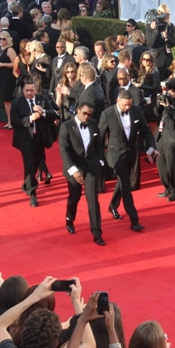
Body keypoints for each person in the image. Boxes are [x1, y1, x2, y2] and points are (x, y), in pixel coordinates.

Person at [98, 89, 158, 230]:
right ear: (117, 101)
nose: (127, 108)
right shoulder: (107, 114)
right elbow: (99, 138)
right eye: (125, 105)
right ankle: (134, 220)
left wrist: (151, 147)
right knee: (126, 185)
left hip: (131, 154)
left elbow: (146, 131)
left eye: (129, 105)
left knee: (122, 180)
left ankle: (113, 205)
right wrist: (99, 158)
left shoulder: (136, 110)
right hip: (115, 155)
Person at [59, 102, 106, 245]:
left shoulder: (93, 124)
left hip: (91, 166)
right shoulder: (66, 126)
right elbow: (64, 151)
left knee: (93, 200)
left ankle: (97, 232)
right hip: (74, 168)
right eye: (84, 113)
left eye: (90, 114)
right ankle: (69, 219)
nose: (87, 117)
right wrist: (73, 170)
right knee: (75, 196)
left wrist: (100, 160)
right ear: (78, 111)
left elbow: (99, 144)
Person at [11, 80, 57, 207]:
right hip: (25, 139)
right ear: (23, 90)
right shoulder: (16, 103)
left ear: (36, 90)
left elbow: (54, 114)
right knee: (29, 164)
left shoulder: (42, 99)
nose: (29, 93)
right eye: (27, 90)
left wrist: (43, 112)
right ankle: (32, 194)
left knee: (36, 163)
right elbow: (15, 122)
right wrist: (31, 118)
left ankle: (27, 184)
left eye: (32, 90)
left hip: (40, 138)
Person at [154, 78, 175, 202]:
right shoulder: (165, 98)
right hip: (161, 135)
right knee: (160, 163)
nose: (165, 93)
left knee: (172, 165)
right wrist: (158, 103)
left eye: (167, 90)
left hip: (173, 136)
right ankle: (167, 187)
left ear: (172, 91)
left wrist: (168, 106)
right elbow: (156, 113)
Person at [0, 31, 18, 129]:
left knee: (10, 100)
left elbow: (15, 63)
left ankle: (13, 121)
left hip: (9, 77)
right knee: (5, 100)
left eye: (3, 39)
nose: (1, 40)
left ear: (8, 39)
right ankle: (9, 121)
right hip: (2, 76)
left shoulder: (10, 49)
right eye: (0, 38)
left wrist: (2, 64)